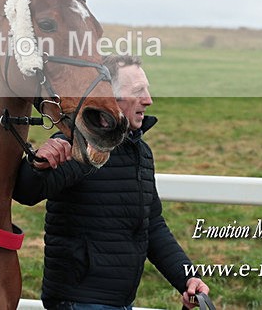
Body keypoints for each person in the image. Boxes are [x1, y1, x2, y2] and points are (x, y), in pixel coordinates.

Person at [13, 55, 210, 310]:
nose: (148, 100)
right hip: (79, 302)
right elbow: (26, 192)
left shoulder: (140, 152)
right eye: (138, 91)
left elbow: (152, 227)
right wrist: (38, 163)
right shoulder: (79, 143)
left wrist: (187, 277)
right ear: (108, 96)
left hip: (120, 302)